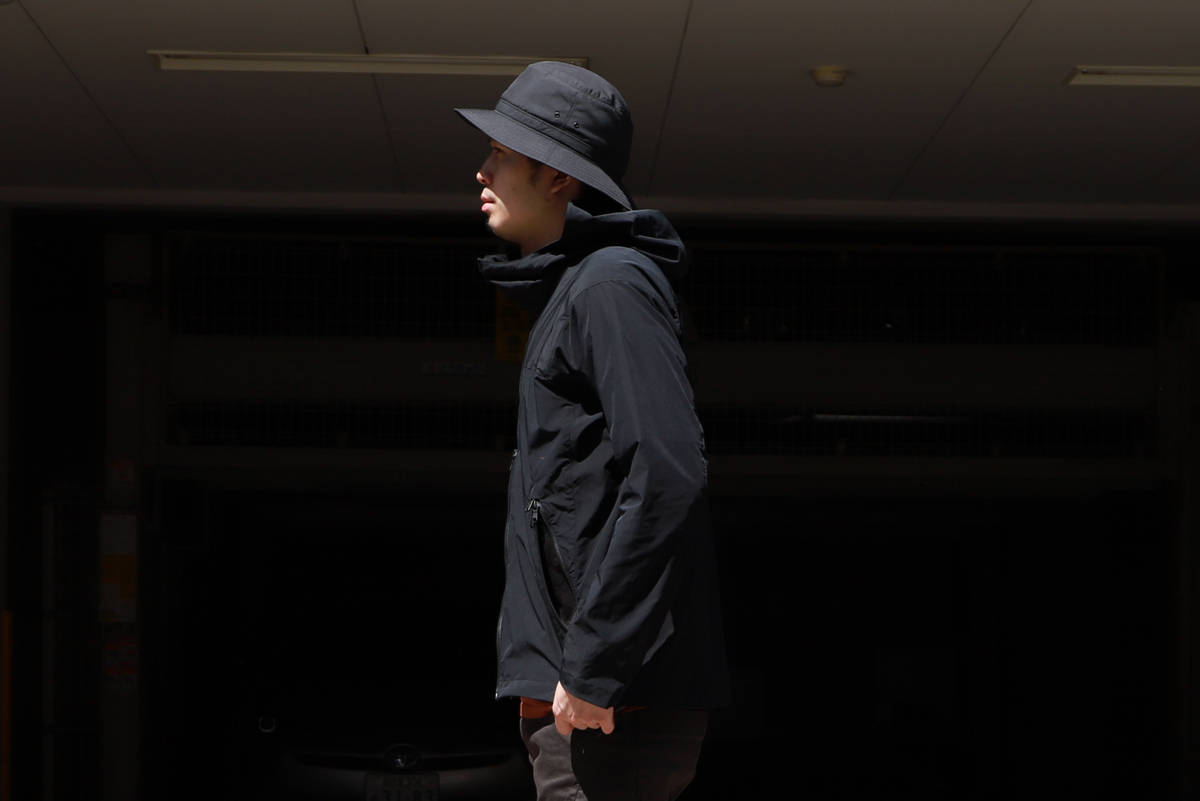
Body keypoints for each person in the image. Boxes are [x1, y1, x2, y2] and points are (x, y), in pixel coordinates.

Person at [456, 62, 729, 801]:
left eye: (502, 152)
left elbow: (668, 474)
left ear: (558, 177)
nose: (482, 170)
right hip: (588, 700)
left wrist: (597, 666)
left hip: (611, 708)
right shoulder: (582, 287)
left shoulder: (612, 283)